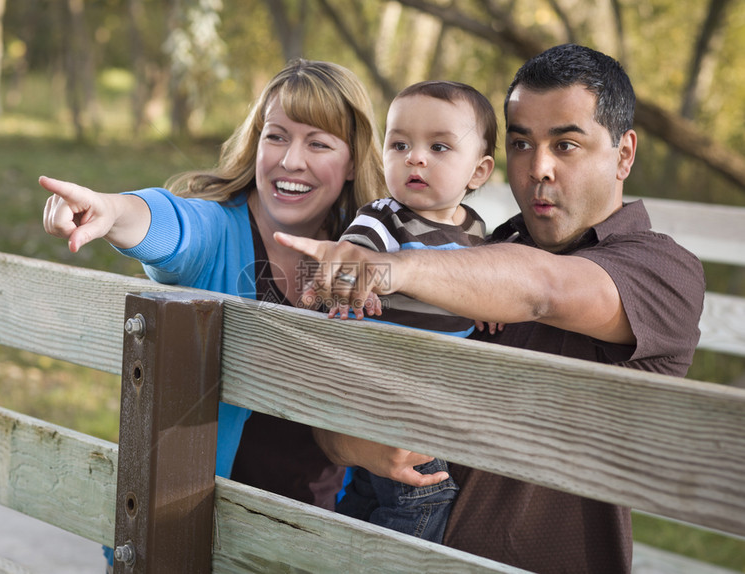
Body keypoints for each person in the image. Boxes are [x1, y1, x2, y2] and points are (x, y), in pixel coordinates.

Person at [275, 44, 705, 572]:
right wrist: (355, 446)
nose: (539, 167)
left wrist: (391, 268)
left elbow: (543, 288)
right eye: (523, 143)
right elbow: (333, 424)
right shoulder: (478, 248)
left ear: (623, 154)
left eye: (567, 145)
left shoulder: (662, 269)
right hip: (398, 545)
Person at [39, 59, 387, 568]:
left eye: (319, 143)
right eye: (277, 137)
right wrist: (112, 211)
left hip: (308, 541)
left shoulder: (367, 249)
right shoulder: (216, 231)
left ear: (353, 161)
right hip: (190, 538)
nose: (291, 160)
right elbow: (169, 225)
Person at [334, 80, 496, 544]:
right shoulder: (384, 218)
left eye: (439, 146)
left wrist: (485, 304)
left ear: (479, 172)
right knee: (424, 494)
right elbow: (349, 259)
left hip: (435, 390)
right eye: (399, 144)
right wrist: (350, 279)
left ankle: (344, 547)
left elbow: (487, 283)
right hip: (393, 386)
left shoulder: (477, 230)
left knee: (371, 491)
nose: (415, 157)